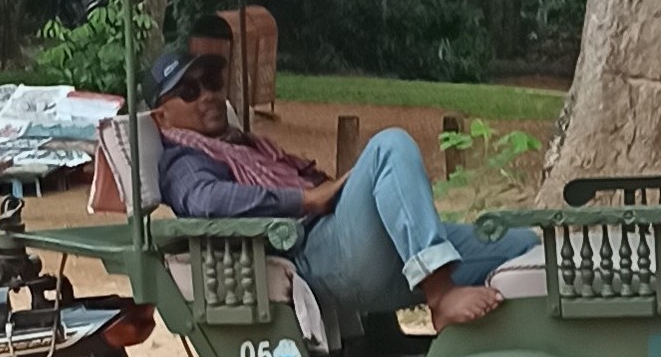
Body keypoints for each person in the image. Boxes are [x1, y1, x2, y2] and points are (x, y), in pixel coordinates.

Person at [147, 44, 537, 331]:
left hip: (353, 244)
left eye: (212, 82)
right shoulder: (183, 159)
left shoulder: (240, 144)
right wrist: (305, 198)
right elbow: (205, 201)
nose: (209, 95)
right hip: (321, 257)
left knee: (522, 247)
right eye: (189, 91)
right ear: (162, 116)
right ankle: (440, 294)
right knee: (390, 145)